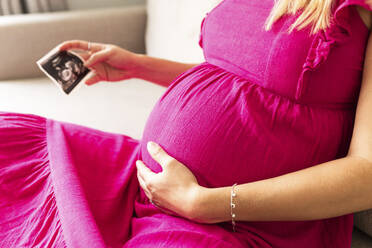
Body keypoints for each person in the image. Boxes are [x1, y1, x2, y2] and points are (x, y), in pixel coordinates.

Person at [1, 0, 372, 247]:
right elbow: (237, 80)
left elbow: (366, 174)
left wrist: (206, 203)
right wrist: (138, 65)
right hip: (147, 184)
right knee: (12, 140)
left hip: (241, 224)